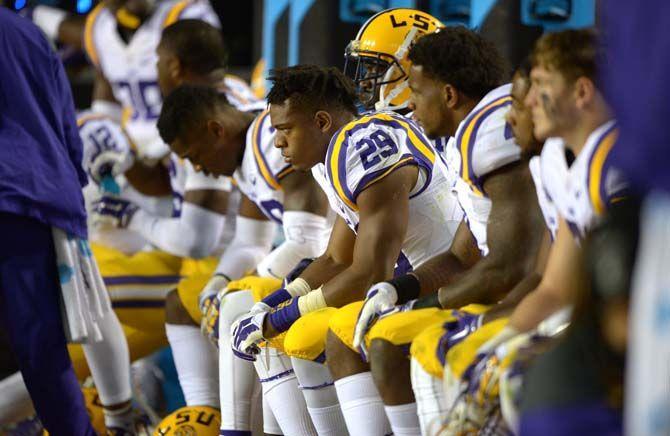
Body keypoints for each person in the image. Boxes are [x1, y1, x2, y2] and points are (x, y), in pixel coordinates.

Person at [330, 27, 544, 434]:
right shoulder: (462, 138)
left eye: (416, 90)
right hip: (520, 287)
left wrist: (426, 306)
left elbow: (508, 265)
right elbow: (464, 254)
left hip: (538, 296)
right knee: (384, 339)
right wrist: (400, 289)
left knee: (412, 343)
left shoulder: (491, 136)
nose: (409, 103)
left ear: (448, 96)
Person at [228, 64, 463, 435]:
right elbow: (336, 258)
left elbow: (370, 272)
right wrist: (271, 305)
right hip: (406, 284)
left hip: (443, 280)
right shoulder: (335, 153)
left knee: (331, 336)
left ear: (321, 121)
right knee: (284, 337)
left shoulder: (361, 145)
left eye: (285, 129)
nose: (277, 143)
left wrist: (278, 317)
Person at [157, 83, 332, 435]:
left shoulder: (272, 138)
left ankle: (234, 429)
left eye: (194, 155)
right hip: (314, 267)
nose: (198, 167)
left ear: (216, 130)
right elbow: (251, 240)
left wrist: (235, 286)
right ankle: (206, 415)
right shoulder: (247, 146)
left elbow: (307, 242)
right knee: (195, 300)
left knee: (239, 304)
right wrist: (216, 283)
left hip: (334, 266)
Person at [0, 8, 100, 435]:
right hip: (39, 198)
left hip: (22, 192)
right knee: (42, 348)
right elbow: (66, 124)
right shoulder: (31, 34)